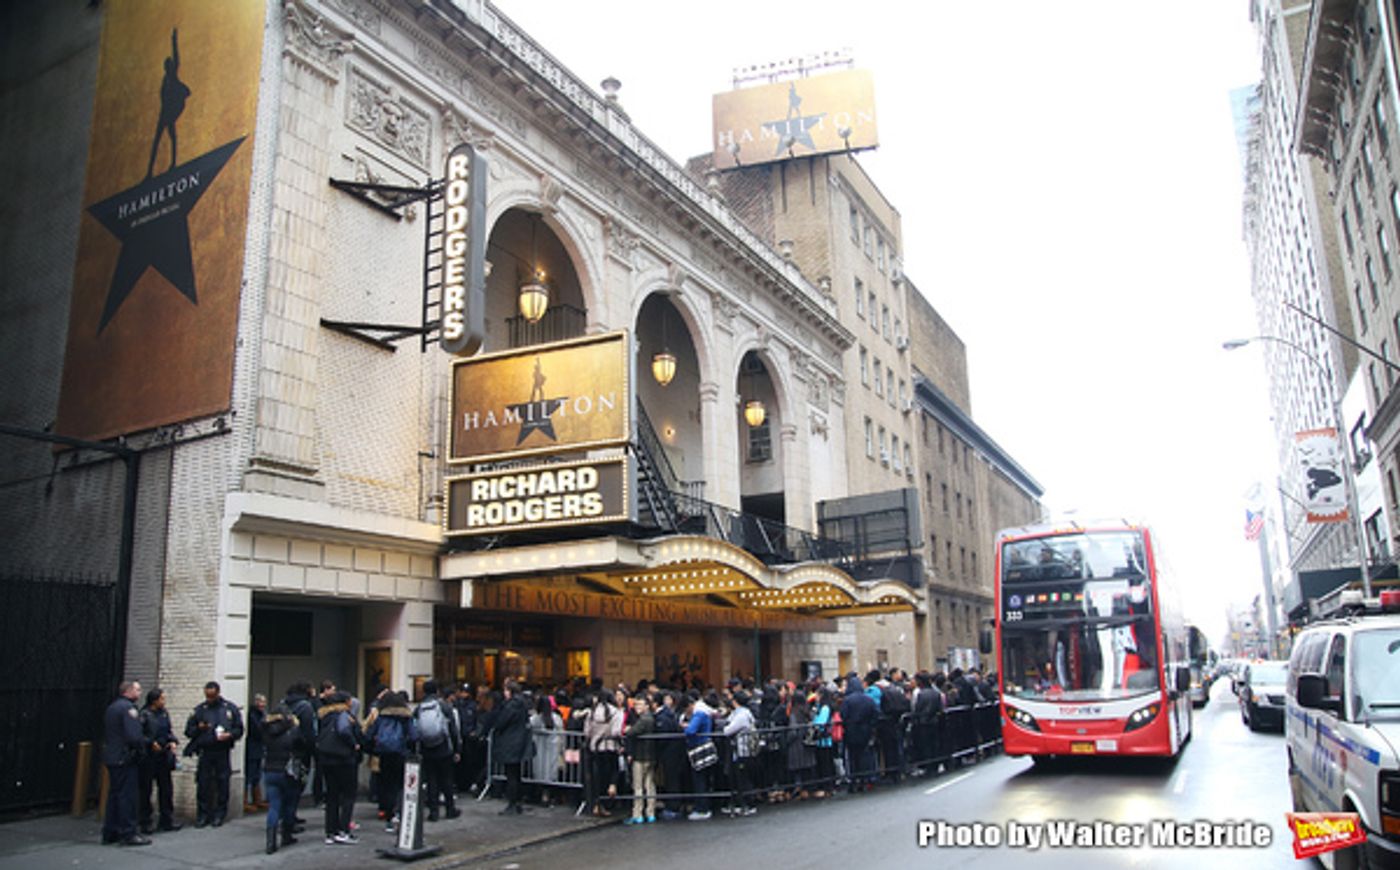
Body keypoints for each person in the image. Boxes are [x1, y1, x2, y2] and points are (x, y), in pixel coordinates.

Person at [184, 681, 243, 827]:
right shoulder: (199, 710)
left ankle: (219, 814)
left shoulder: (229, 709)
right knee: (203, 783)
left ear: (217, 693)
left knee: (222, 782)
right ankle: (203, 815)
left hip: (222, 750)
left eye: (212, 696)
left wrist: (229, 735)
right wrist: (199, 728)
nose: (209, 699)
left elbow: (239, 729)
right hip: (205, 750)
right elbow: (189, 731)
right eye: (207, 696)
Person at [102, 680, 150, 846]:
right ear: (128, 691)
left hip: (113, 757)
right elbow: (134, 736)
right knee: (127, 796)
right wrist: (142, 748)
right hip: (125, 758)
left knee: (114, 795)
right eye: (137, 689)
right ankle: (129, 832)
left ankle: (110, 831)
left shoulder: (112, 707)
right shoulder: (128, 709)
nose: (140, 693)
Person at [315, 690, 362, 845]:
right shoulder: (344, 715)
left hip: (326, 758)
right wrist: (353, 744)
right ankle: (343, 830)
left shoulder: (324, 716)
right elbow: (343, 730)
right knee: (348, 795)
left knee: (332, 796)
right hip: (344, 759)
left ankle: (330, 832)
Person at [366, 691, 416, 833]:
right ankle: (400, 814)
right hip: (401, 754)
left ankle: (389, 816)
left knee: (387, 786)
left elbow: (369, 735)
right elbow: (413, 736)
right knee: (401, 785)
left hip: (384, 755)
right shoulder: (406, 716)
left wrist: (373, 750)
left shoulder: (382, 716)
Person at [260, 701, 305, 854]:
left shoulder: (266, 730)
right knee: (290, 804)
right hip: (287, 771)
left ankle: (270, 842)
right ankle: (286, 835)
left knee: (274, 806)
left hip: (270, 770)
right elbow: (301, 745)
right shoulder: (292, 730)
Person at [413, 680, 461, 821]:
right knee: (446, 779)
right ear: (437, 691)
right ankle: (450, 809)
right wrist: (457, 749)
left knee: (431, 780)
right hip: (444, 748)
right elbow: (453, 729)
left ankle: (433, 812)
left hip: (427, 749)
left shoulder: (419, 708)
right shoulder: (443, 706)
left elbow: (415, 728)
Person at [137, 688, 180, 835]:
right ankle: (145, 821)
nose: (164, 701)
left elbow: (168, 731)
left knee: (166, 789)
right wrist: (150, 743)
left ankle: (167, 819)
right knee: (146, 789)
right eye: (162, 699)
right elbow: (139, 735)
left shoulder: (164, 713)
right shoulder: (144, 714)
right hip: (148, 757)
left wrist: (173, 741)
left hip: (163, 755)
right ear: (154, 700)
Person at [280, 682, 317, 833]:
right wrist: (312, 748)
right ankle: (289, 820)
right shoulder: (306, 707)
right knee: (296, 786)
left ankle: (287, 816)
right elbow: (309, 731)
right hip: (300, 752)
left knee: (287, 786)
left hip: (282, 750)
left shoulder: (282, 704)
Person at [491, 679, 531, 815]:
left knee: (511, 775)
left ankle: (512, 804)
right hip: (519, 741)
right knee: (516, 774)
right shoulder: (523, 704)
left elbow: (501, 722)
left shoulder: (511, 706)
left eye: (505, 690)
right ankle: (517, 802)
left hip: (511, 742)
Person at [722, 691, 757, 816]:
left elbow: (727, 730)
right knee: (739, 777)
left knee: (743, 778)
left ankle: (748, 804)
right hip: (740, 751)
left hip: (742, 750)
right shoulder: (743, 713)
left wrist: (725, 726)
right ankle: (740, 803)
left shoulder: (742, 715)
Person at [624, 693, 658, 825]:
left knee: (638, 786)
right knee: (649, 785)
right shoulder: (651, 718)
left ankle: (637, 813)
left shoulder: (644, 720)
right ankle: (650, 812)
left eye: (640, 704)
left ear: (646, 706)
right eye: (636, 704)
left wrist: (628, 729)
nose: (637, 707)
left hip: (641, 756)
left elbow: (631, 732)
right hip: (651, 755)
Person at [840, 674, 877, 793]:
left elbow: (843, 716)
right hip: (865, 731)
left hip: (851, 731)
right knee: (864, 756)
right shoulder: (868, 699)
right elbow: (875, 714)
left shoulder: (847, 700)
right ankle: (865, 779)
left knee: (852, 757)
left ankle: (854, 781)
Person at [681, 693, 714, 821]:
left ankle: (702, 809)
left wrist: (685, 727)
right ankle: (704, 807)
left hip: (699, 748)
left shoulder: (699, 713)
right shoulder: (704, 711)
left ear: (689, 705)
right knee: (704, 779)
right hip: (705, 746)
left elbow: (691, 731)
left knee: (699, 780)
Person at [528, 694, 564, 805]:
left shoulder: (535, 719)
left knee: (539, 771)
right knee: (550, 773)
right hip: (552, 749)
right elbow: (561, 735)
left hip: (539, 750)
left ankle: (539, 795)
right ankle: (547, 795)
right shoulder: (556, 719)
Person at [244, 693, 267, 813]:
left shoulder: (261, 714)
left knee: (257, 774)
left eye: (264, 702)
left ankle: (257, 799)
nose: (263, 704)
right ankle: (245, 801)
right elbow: (258, 730)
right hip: (252, 747)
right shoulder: (253, 715)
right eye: (261, 702)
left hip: (258, 747)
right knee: (250, 774)